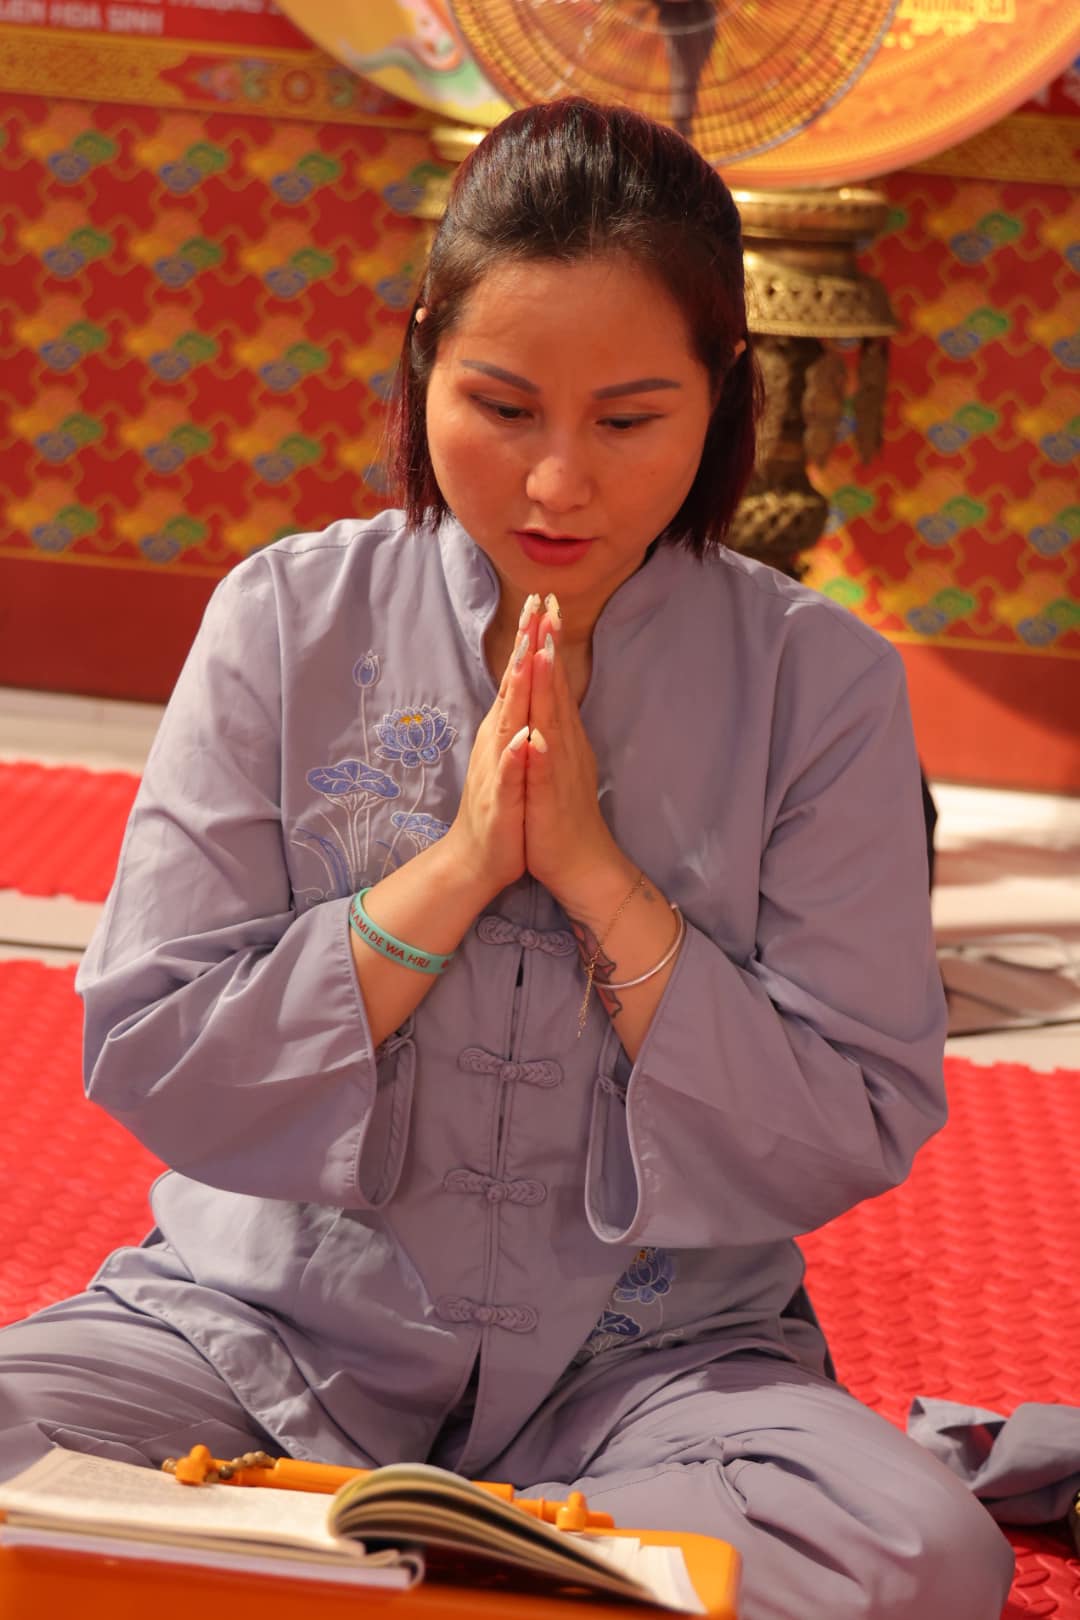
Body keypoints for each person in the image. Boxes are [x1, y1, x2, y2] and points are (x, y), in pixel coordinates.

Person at [0, 99, 1013, 1618]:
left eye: (628, 421)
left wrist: (602, 880)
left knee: (916, 1559)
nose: (556, 484)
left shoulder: (822, 686)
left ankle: (306, 1574)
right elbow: (152, 1043)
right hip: (254, 1340)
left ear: (724, 391)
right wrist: (458, 868)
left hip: (657, 1377)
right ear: (423, 359)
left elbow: (854, 1114)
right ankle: (512, 1579)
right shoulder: (282, 621)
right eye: (502, 405)